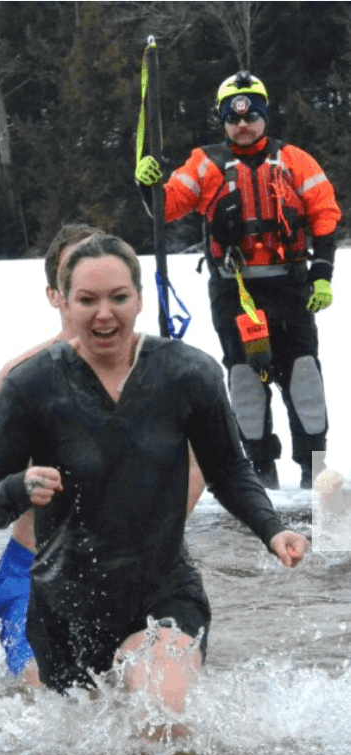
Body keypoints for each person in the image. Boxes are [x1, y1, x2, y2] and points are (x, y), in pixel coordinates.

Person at [0, 233, 308, 724]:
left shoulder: (187, 373)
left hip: (161, 589)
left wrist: (271, 529)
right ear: (64, 302)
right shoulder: (31, 383)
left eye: (118, 297)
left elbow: (228, 469)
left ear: (140, 299)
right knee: (83, 754)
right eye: (87, 300)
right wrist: (18, 487)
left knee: (161, 717)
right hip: (65, 603)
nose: (104, 314)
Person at [0, 224, 207, 687]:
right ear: (57, 294)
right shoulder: (23, 375)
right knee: (52, 702)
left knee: (157, 694)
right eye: (80, 284)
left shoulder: (162, 370)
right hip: (38, 568)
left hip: (138, 570)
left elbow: (202, 459)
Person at [135, 71, 342, 489]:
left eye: (251, 116)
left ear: (265, 115)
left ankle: (313, 471)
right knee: (246, 378)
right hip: (234, 290)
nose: (242, 124)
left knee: (303, 374)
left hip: (290, 287)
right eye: (233, 117)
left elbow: (325, 214)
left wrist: (322, 274)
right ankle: (260, 472)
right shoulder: (205, 164)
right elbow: (167, 208)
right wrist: (147, 182)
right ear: (223, 120)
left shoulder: (295, 160)